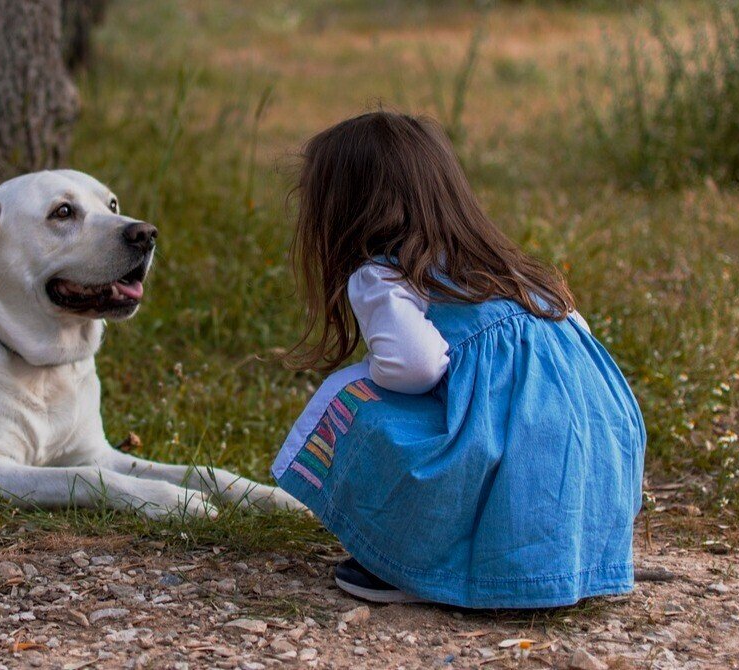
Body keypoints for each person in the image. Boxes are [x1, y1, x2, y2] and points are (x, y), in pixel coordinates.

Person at [271, 111, 646, 608]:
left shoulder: (384, 275)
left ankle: (411, 563)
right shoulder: (506, 267)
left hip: (512, 456)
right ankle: (562, 559)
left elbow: (416, 366)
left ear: (346, 210)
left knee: (353, 398)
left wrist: (372, 375)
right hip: (597, 449)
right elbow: (578, 344)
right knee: (507, 422)